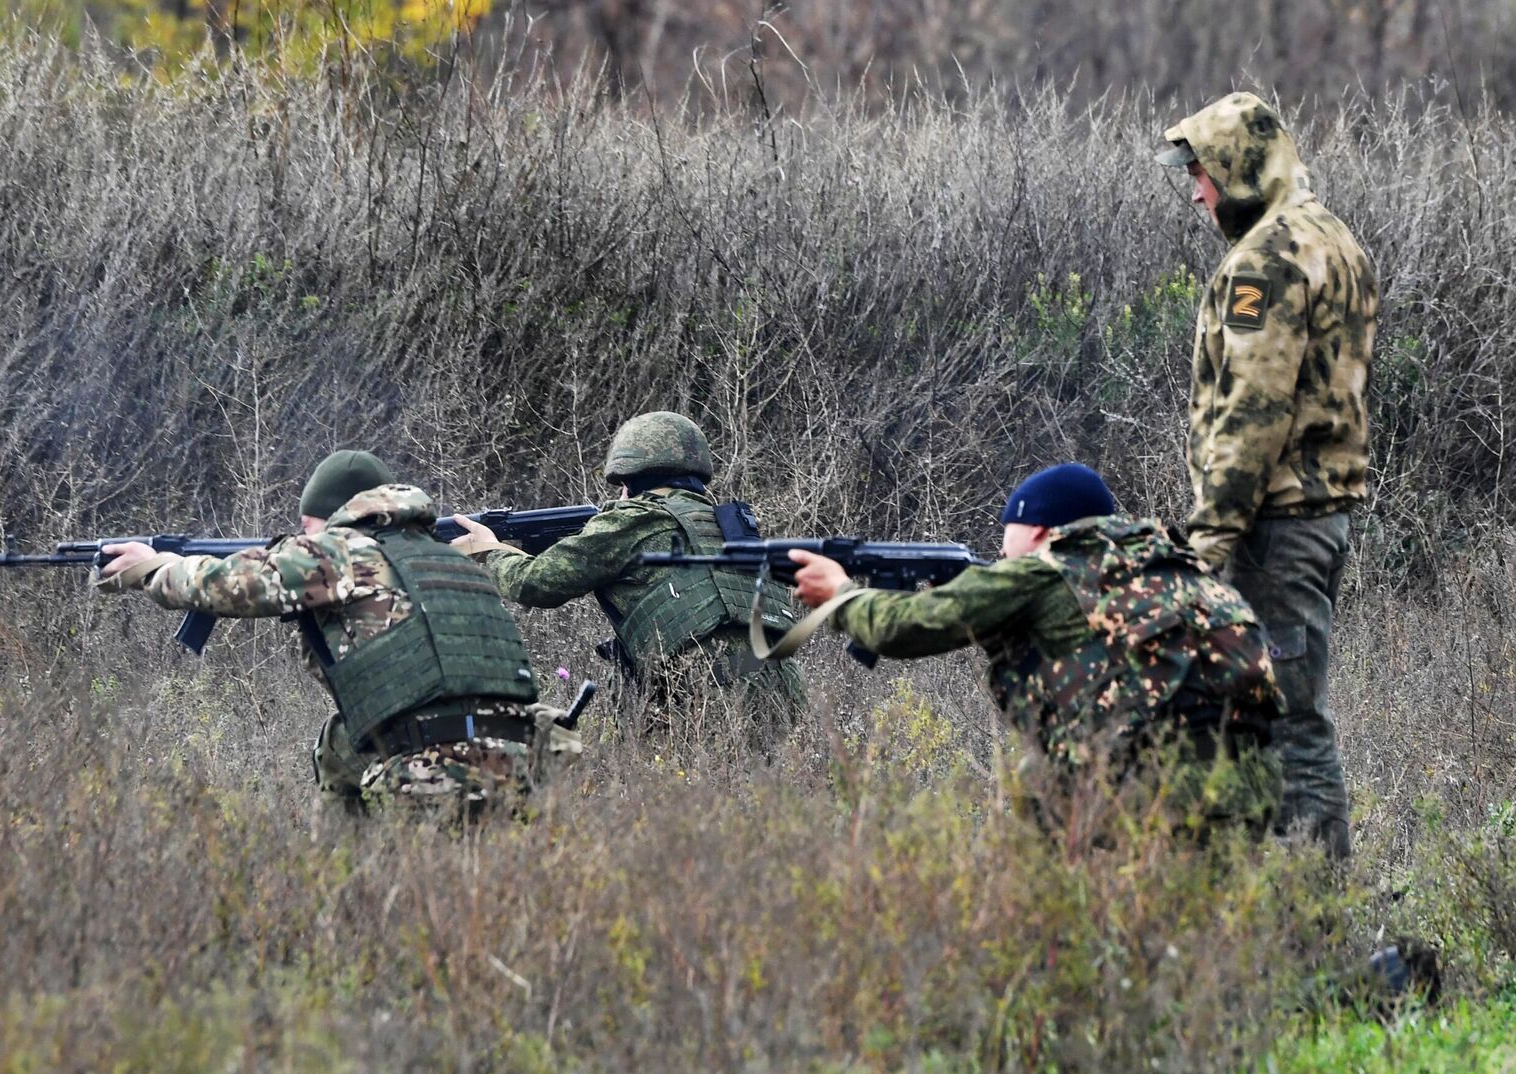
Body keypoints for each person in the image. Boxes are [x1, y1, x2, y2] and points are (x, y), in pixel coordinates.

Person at [789, 463, 1282, 837]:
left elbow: (905, 628)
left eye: (1007, 547)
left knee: (1036, 796)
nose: (1002, 558)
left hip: (1144, 803)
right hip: (1247, 794)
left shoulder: (1045, 570)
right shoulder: (1180, 570)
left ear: (1041, 533)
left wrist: (842, 594)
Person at [96, 449, 577, 820]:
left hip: (432, 776)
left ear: (333, 518)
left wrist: (153, 567)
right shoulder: (451, 560)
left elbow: (223, 586)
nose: (304, 539)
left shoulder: (343, 553)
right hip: (526, 767)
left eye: (308, 529)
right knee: (340, 740)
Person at [1156, 91, 1376, 861]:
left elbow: (1253, 413)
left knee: (1287, 719)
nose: (1196, 190)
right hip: (1317, 514)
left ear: (1239, 169)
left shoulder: (1266, 262)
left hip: (1275, 527)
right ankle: (1270, 906)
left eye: (1205, 172)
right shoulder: (1334, 239)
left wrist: (1207, 540)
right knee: (1270, 712)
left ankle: (1312, 913)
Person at [448, 411, 806, 735]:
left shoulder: (636, 518)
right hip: (785, 693)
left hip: (714, 697)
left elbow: (534, 583)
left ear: (630, 479)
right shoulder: (725, 528)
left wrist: (491, 550)